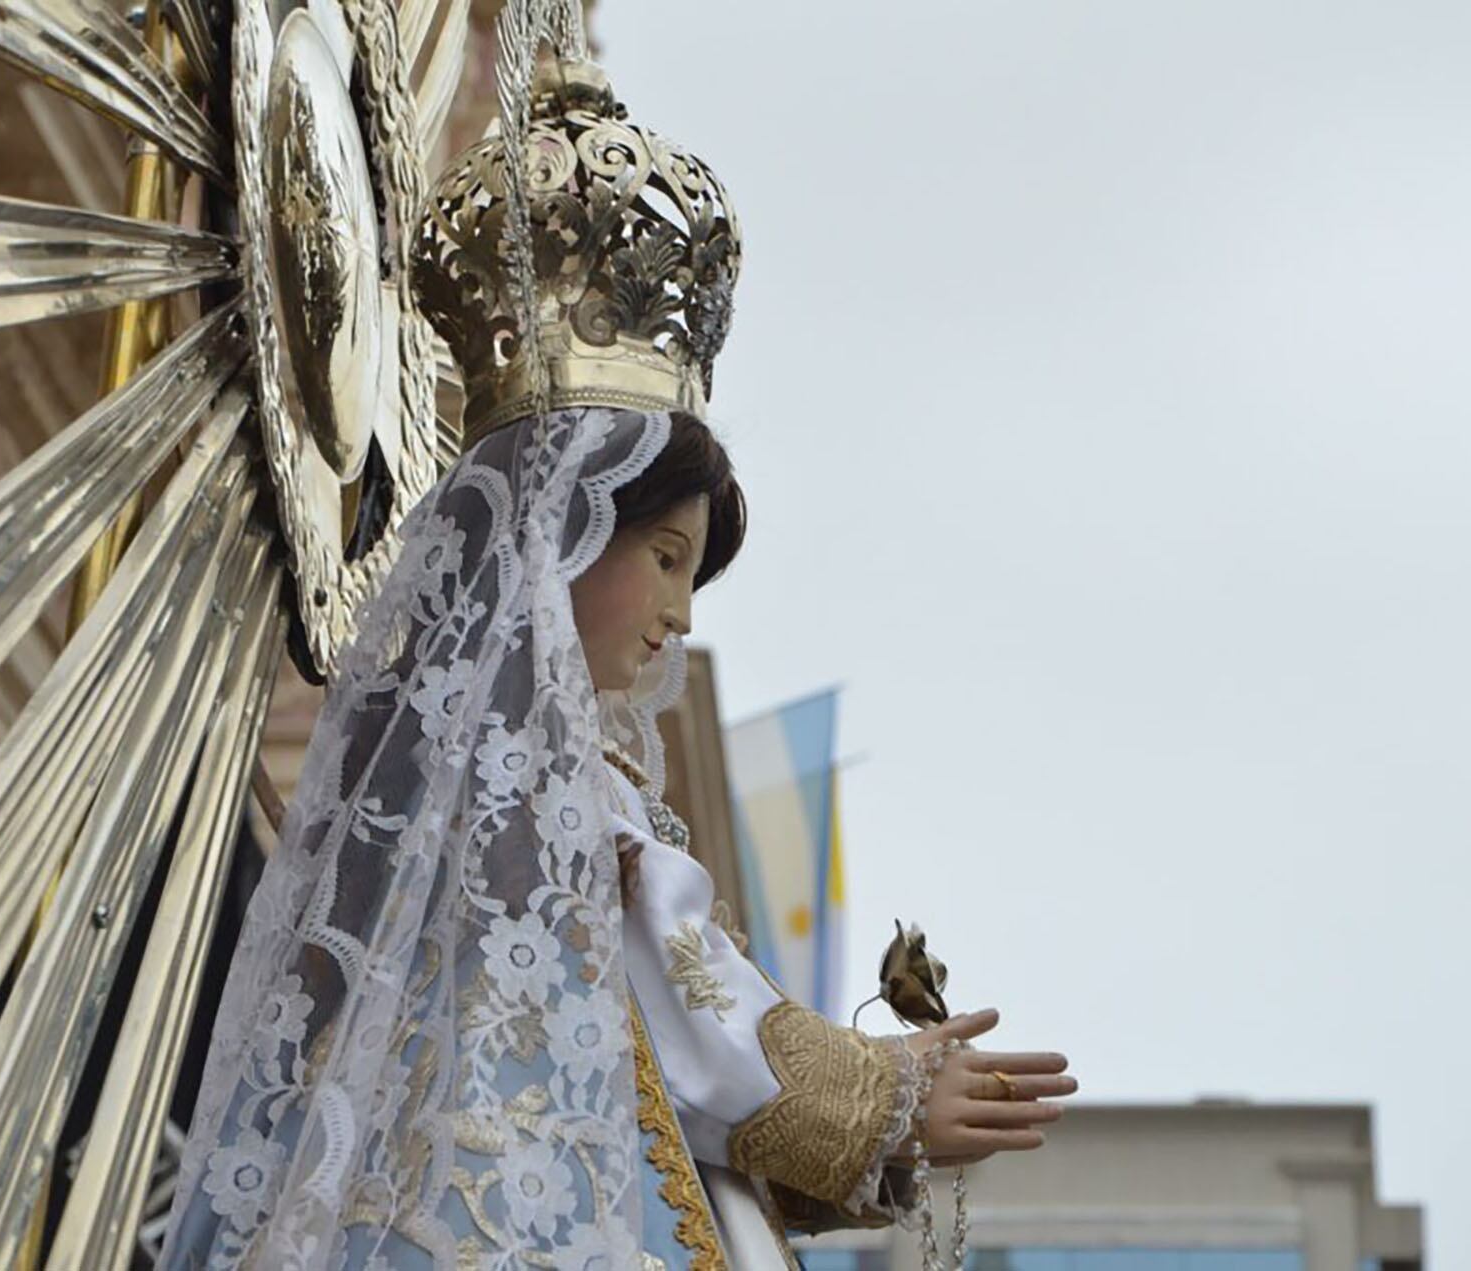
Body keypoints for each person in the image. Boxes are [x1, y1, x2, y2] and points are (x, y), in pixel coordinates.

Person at [154, 49, 1075, 1271]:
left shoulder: (457, 768)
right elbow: (698, 1021)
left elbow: (672, 1068)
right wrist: (889, 1091)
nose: (681, 615)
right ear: (561, 533)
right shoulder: (538, 779)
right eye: (670, 557)